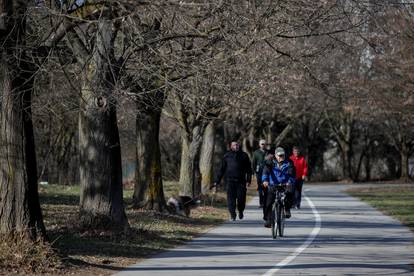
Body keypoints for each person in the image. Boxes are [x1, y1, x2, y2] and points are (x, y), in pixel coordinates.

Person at [213, 141, 252, 221]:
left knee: (241, 199)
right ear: (231, 146)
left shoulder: (244, 155)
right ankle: (232, 214)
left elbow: (249, 169)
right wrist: (217, 181)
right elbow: (221, 169)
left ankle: (240, 211)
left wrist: (248, 180)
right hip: (230, 181)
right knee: (231, 200)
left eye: (237, 145)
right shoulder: (226, 156)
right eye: (234, 145)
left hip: (241, 181)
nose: (236, 146)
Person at [262, 147, 296, 228]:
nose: (281, 157)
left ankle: (287, 209)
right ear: (275, 155)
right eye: (279, 155)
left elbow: (292, 174)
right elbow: (265, 172)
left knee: (290, 193)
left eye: (282, 155)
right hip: (273, 184)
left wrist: (290, 182)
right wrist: (265, 181)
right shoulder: (270, 162)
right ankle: (269, 220)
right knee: (269, 202)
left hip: (285, 184)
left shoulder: (289, 162)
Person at [252, 139, 268, 208]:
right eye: (262, 144)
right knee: (260, 188)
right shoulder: (256, 152)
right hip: (259, 173)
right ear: (259, 145)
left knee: (267, 188)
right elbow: (253, 163)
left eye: (264, 144)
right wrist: (254, 172)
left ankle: (266, 202)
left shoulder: (268, 152)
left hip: (267, 173)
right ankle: (261, 203)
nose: (263, 145)